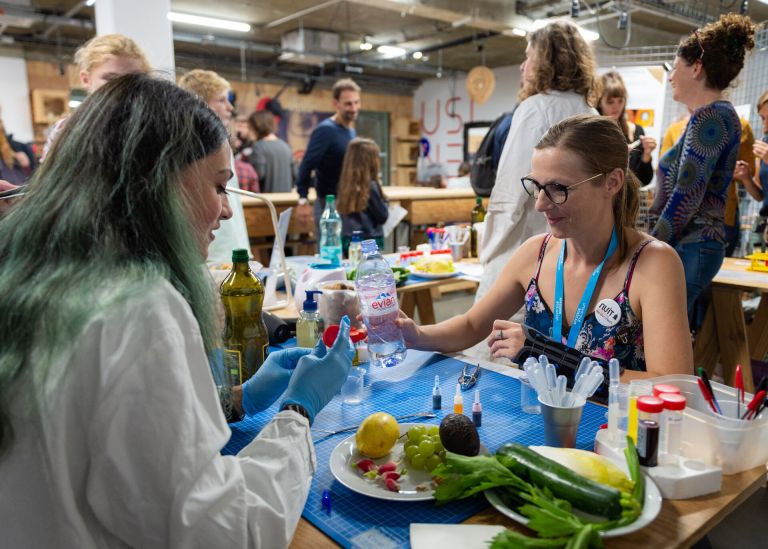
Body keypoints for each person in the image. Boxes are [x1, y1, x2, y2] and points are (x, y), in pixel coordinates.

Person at [0, 74, 354, 547]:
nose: (226, 212)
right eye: (218, 186)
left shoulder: (34, 276)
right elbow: (222, 534)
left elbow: (107, 434)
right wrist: (297, 413)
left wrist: (236, 399)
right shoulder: (139, 306)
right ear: (158, 184)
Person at [397, 114, 692, 379]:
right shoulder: (535, 253)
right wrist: (416, 335)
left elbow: (673, 385)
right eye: (537, 186)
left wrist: (548, 354)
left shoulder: (653, 264)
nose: (540, 204)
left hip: (612, 435)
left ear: (611, 183)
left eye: (558, 189)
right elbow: (472, 326)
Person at [477, 21, 598, 308]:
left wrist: (489, 250)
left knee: (495, 341)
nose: (523, 66)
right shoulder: (591, 112)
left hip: (527, 248)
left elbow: (511, 192)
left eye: (529, 56)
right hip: (575, 253)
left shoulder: (535, 108)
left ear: (545, 60)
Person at [650, 13, 756, 328]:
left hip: (691, 245)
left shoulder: (710, 118)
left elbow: (687, 197)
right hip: (691, 245)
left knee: (660, 331)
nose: (670, 76)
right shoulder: (714, 115)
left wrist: (649, 244)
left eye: (674, 67)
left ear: (696, 68)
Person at [178, 69, 252, 263]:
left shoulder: (221, 143)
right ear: (200, 102)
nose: (230, 108)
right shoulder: (195, 149)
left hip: (231, 243)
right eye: (221, 100)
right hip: (214, 248)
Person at [41, 33, 151, 160]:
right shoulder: (65, 129)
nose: (123, 87)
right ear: (86, 80)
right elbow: (48, 178)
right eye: (111, 79)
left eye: (132, 79)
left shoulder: (156, 124)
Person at [295, 78, 360, 232]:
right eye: (348, 104)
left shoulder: (351, 131)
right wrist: (303, 201)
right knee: (330, 254)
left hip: (348, 204)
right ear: (335, 104)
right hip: (329, 205)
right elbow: (306, 165)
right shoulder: (326, 130)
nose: (354, 108)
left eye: (357, 102)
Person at [596, 70, 657, 186]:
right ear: (599, 102)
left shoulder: (635, 130)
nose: (616, 106)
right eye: (610, 102)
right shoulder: (593, 133)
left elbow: (643, 180)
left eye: (620, 101)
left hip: (629, 200)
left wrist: (647, 155)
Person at [336, 137, 389, 251]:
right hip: (370, 240)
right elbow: (382, 216)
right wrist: (385, 201)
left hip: (348, 239)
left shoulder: (345, 185)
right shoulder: (371, 187)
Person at [733, 90, 768, 215]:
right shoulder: (765, 143)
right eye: (763, 118)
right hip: (762, 222)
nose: (766, 125)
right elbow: (760, 196)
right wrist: (746, 178)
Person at [248, 110, 295, 193]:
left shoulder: (258, 147)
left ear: (257, 126)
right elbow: (295, 174)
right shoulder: (286, 146)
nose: (249, 131)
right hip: (287, 200)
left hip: (266, 201)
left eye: (250, 127)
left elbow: (258, 175)